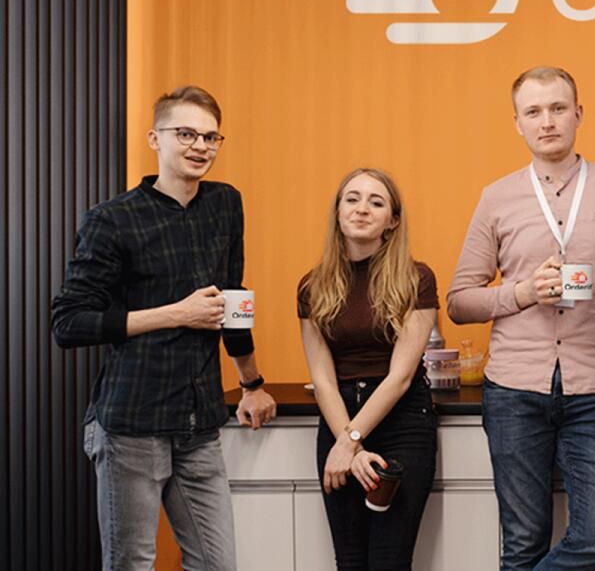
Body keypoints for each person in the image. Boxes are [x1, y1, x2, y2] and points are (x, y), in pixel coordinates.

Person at [447, 66, 595, 570]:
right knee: (523, 544)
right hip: (513, 393)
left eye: (557, 108)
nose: (547, 121)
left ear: (578, 113)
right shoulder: (496, 197)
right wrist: (522, 293)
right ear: (517, 123)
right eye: (533, 112)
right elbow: (459, 301)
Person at [51, 85, 277, 570]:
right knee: (132, 563)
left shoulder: (225, 204)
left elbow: (232, 298)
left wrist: (251, 383)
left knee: (217, 564)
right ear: (156, 139)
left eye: (211, 137)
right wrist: (176, 313)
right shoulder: (112, 220)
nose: (200, 146)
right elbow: (68, 322)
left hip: (198, 424)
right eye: (186, 134)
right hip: (131, 426)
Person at [297, 168, 440, 570]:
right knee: (350, 562)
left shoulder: (416, 278)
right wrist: (347, 442)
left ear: (392, 221)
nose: (362, 209)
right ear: (338, 211)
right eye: (352, 199)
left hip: (402, 422)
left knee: (388, 561)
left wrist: (351, 442)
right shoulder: (312, 285)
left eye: (376, 203)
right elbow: (323, 378)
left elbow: (401, 377)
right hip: (339, 417)